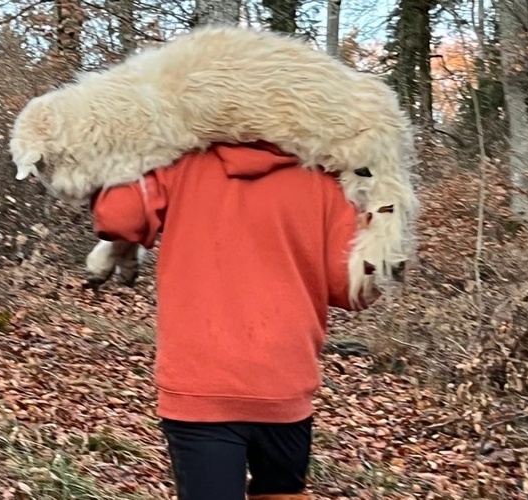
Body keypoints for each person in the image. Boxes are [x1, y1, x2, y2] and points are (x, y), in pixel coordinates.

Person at [89, 140, 376, 500]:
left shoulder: (179, 164)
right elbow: (352, 288)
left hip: (199, 384)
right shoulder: (326, 177)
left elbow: (118, 218)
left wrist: (130, 141)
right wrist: (382, 229)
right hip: (284, 382)